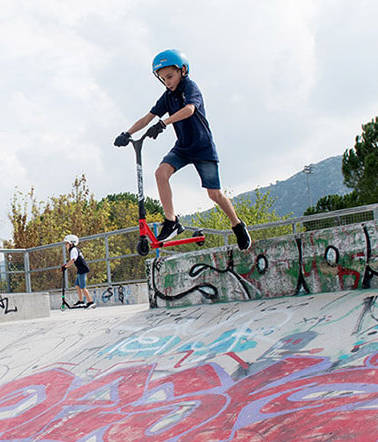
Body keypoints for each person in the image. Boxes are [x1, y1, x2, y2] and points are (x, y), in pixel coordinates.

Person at [114, 49, 251, 251]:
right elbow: (146, 118)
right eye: (163, 79)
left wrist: (164, 123)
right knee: (161, 173)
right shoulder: (167, 97)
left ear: (183, 70)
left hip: (202, 146)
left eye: (170, 76)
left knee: (214, 194)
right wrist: (126, 133)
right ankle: (171, 222)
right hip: (183, 147)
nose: (167, 82)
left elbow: (189, 110)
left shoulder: (190, 87)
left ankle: (237, 225)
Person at [61, 234, 95, 308]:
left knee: (82, 287)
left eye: (66, 243)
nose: (65, 245)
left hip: (82, 269)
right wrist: (65, 266)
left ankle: (91, 302)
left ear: (71, 243)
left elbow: (73, 260)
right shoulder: (73, 250)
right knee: (77, 285)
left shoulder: (73, 250)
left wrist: (65, 266)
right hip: (80, 269)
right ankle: (81, 301)